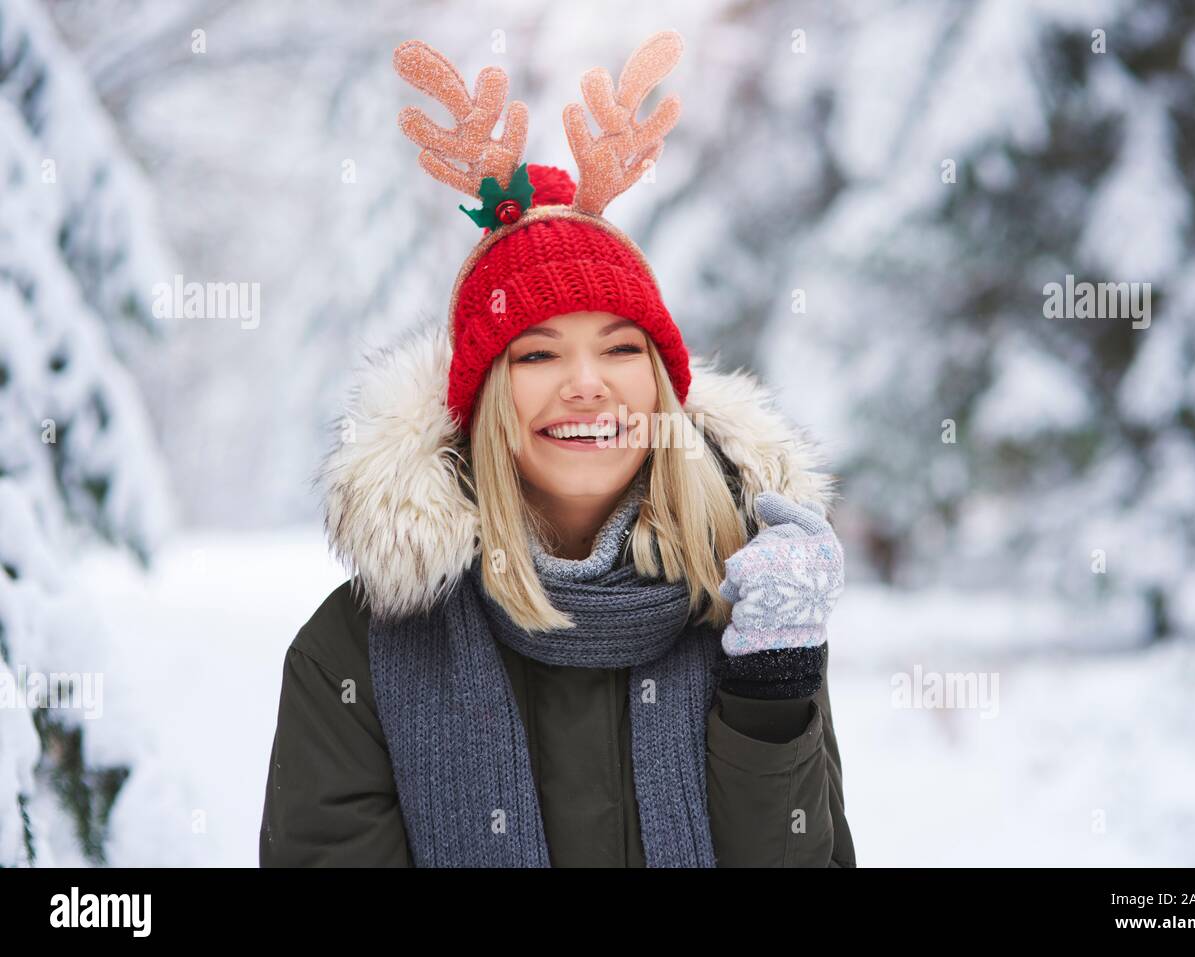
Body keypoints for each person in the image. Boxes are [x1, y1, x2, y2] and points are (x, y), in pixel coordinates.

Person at [259, 30, 854, 868]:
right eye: (536, 355)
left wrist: (774, 688)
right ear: (482, 400)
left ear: (661, 388)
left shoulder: (747, 616)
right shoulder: (355, 652)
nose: (587, 385)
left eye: (620, 350)